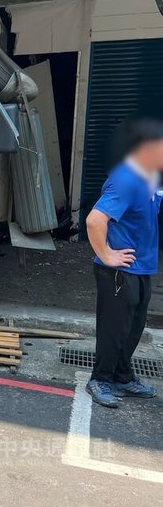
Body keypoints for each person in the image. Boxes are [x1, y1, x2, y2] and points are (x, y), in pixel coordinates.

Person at [85, 118, 163, 408]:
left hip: (141, 267)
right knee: (113, 329)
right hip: (119, 270)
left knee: (133, 328)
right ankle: (100, 379)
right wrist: (106, 254)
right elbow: (95, 220)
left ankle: (122, 376)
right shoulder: (126, 179)